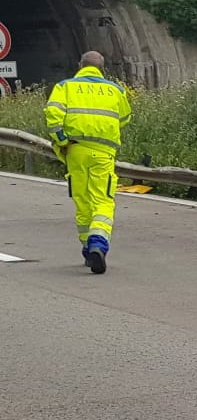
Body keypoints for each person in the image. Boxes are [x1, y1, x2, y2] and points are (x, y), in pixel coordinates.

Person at [43, 51, 132, 274]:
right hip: (103, 152)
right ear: (102, 69)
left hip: (75, 150)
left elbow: (52, 115)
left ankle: (86, 248)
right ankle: (98, 244)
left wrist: (61, 139)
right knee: (103, 199)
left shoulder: (65, 86)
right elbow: (124, 117)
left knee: (82, 199)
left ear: (80, 65)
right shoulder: (116, 90)